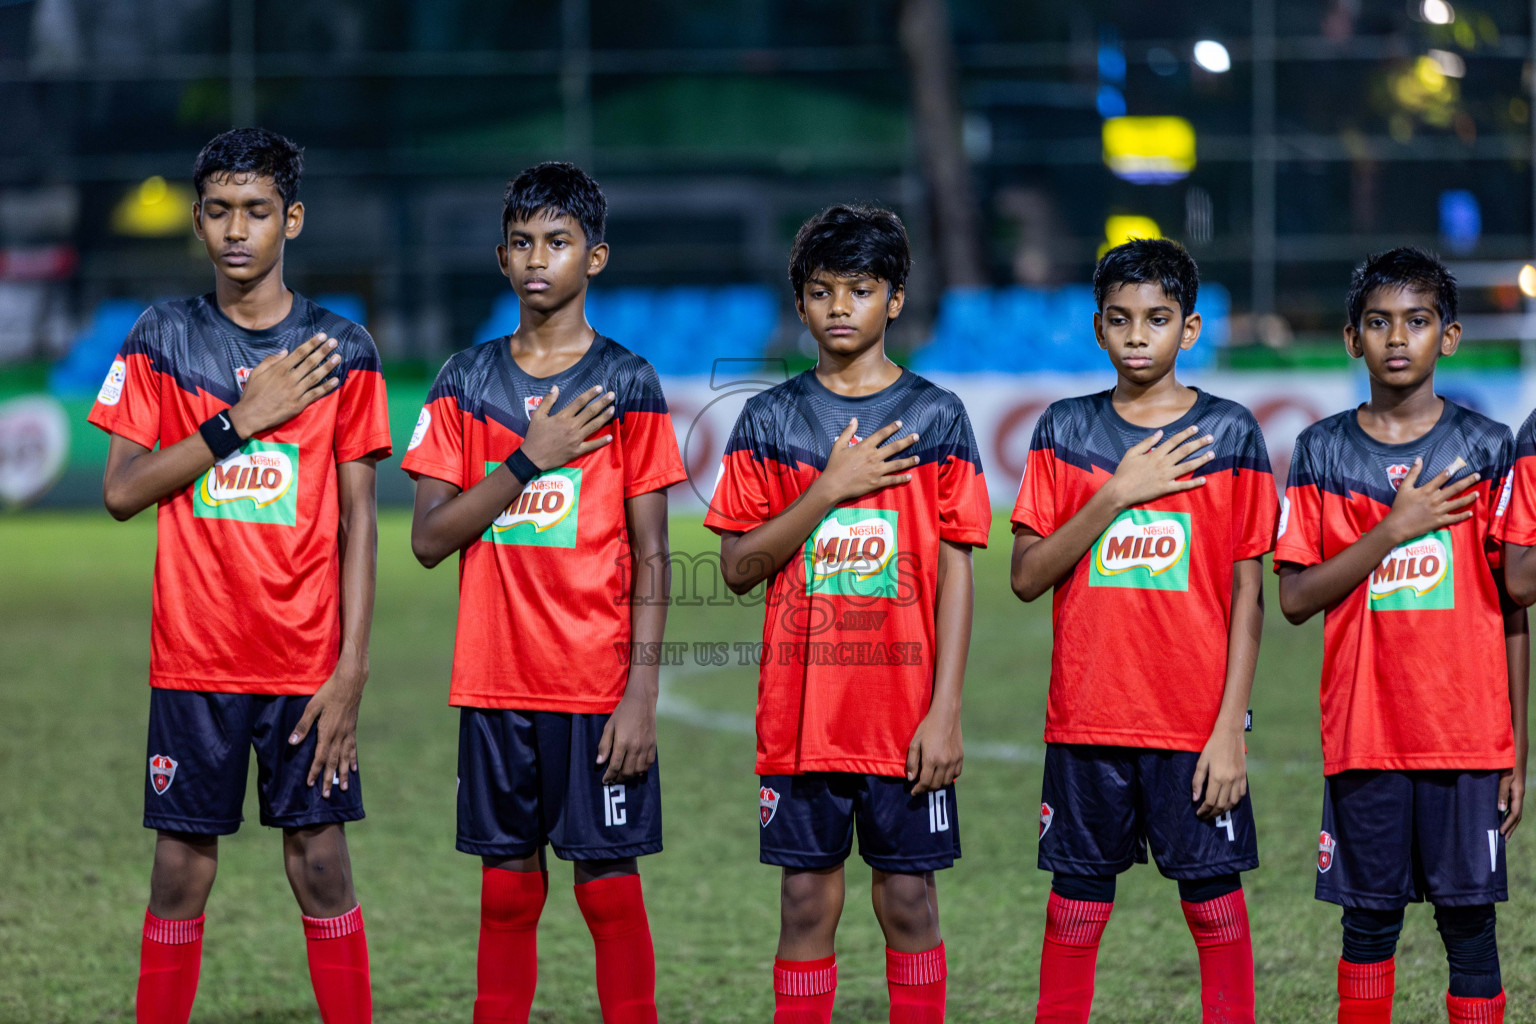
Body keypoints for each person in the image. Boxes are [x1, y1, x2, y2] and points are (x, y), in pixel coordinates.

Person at [88, 127, 391, 1024]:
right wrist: (236, 422)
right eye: (219, 210)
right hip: (195, 659)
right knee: (181, 870)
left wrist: (353, 668)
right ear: (197, 219)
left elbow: (361, 520)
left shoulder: (342, 348)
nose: (236, 229)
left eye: (257, 210)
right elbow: (121, 491)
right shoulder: (162, 337)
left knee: (323, 863)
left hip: (305, 665)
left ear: (290, 219)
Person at [403, 162, 685, 1024]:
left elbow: (653, 553)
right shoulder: (464, 379)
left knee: (606, 890)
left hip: (595, 687)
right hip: (495, 681)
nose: (539, 259)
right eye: (523, 242)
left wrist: (641, 696)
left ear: (593, 258)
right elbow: (428, 538)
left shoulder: (628, 382)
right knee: (506, 890)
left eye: (558, 242)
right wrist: (529, 456)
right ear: (500, 256)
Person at [705, 204, 991, 1024]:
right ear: (799, 304)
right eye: (822, 291)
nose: (840, 308)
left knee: (908, 903)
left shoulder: (936, 418)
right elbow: (736, 568)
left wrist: (946, 712)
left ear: (894, 300)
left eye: (860, 290)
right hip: (801, 718)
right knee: (804, 905)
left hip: (903, 720)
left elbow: (956, 572)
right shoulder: (769, 420)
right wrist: (828, 489)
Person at [1010, 238, 1274, 1024]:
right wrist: (1116, 495)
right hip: (1088, 718)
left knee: (1213, 902)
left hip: (1193, 725)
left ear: (1188, 330)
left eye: (1157, 319)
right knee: (1077, 906)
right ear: (1098, 329)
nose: (1137, 336)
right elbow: (1027, 577)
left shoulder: (1230, 433)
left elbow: (1248, 596)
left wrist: (1232, 729)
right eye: (1120, 320)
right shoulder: (1064, 431)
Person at [1275, 247, 1525, 1024]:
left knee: (1471, 929)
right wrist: (1391, 532)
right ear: (1352, 339)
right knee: (1368, 927)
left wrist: (1514, 742)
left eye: (1416, 322)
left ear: (1447, 337)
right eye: (1378, 323)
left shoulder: (1487, 448)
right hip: (1366, 734)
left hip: (1467, 738)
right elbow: (1293, 597)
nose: (1396, 339)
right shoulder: (1321, 450)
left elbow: (1512, 605)